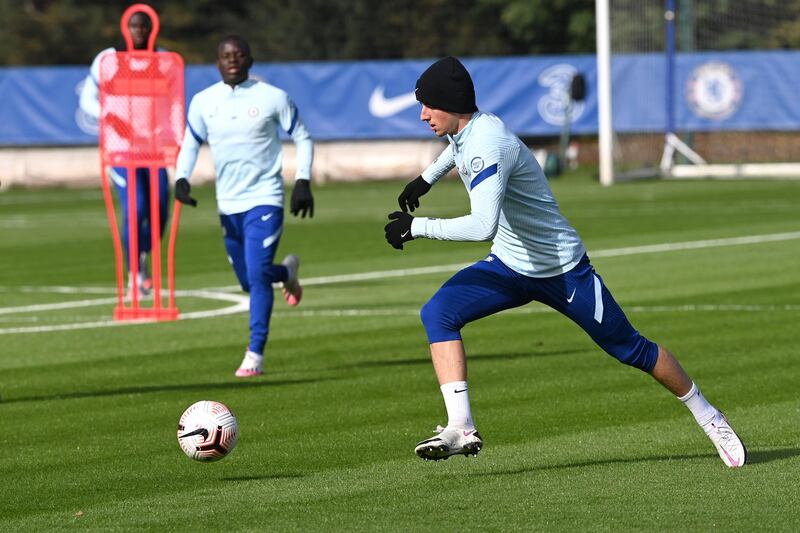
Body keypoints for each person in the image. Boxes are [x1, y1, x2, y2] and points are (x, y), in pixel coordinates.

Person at [384, 56, 747, 467]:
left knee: (631, 349)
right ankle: (461, 426)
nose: (421, 114)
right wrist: (426, 179)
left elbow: (483, 224)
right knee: (438, 313)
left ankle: (709, 415)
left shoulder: (489, 143)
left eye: (428, 105)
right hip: (508, 267)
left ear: (450, 103)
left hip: (562, 271)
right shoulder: (470, 129)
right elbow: (456, 150)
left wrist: (418, 228)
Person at [174, 35, 314, 378]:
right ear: (217, 62)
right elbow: (190, 142)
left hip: (265, 199)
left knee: (255, 274)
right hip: (228, 204)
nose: (232, 60)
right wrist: (181, 178)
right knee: (249, 281)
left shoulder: (272, 97)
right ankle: (286, 274)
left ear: (249, 60)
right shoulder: (204, 101)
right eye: (225, 56)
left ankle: (255, 353)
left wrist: (303, 181)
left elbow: (302, 136)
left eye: (238, 55)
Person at [79, 11, 169, 297]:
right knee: (137, 207)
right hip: (121, 150)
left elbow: (173, 101)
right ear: (125, 28)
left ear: (151, 29)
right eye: (134, 26)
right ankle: (134, 273)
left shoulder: (163, 59)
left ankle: (141, 253)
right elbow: (87, 99)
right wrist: (109, 117)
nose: (139, 31)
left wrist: (173, 136)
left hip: (153, 149)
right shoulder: (109, 58)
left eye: (144, 26)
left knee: (160, 210)